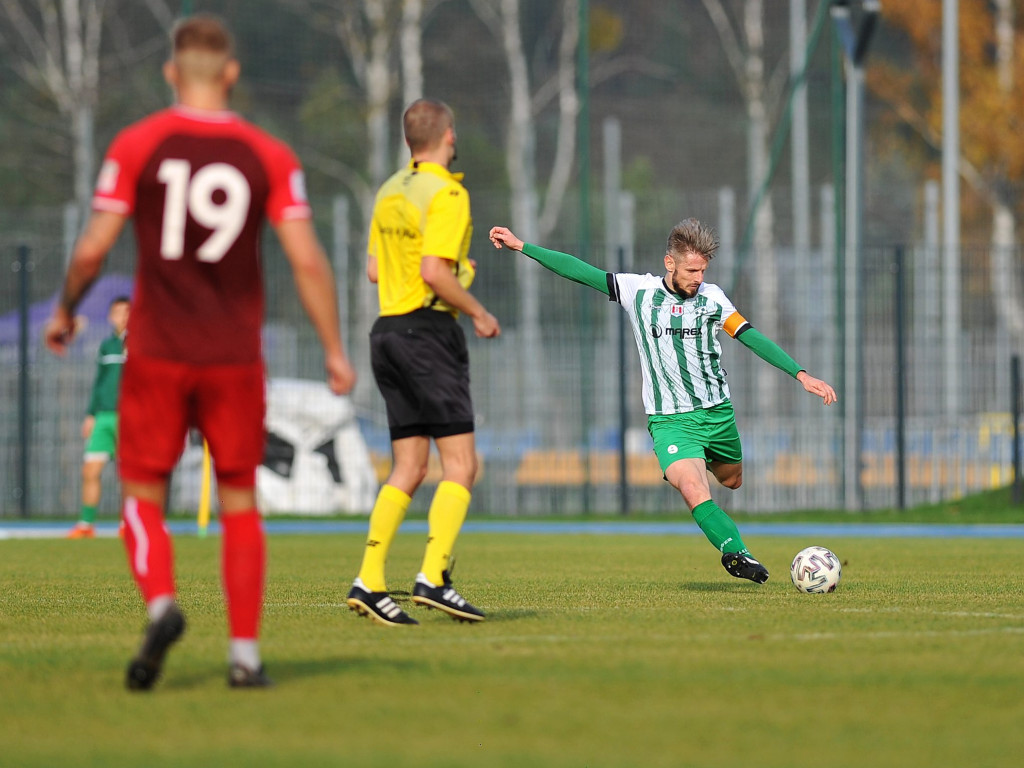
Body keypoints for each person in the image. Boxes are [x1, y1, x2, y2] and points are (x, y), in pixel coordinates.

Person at [44, 15, 356, 690]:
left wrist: (66, 309)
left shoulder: (139, 144)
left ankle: (162, 606)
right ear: (233, 74)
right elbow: (307, 259)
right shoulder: (269, 154)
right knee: (240, 500)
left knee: (141, 493)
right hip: (234, 355)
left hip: (157, 350)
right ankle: (245, 658)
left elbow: (94, 247)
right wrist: (334, 348)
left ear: (171, 73)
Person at [488, 219, 837, 583]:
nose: (698, 278)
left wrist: (801, 374)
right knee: (692, 488)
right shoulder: (637, 291)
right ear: (669, 263)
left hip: (717, 413)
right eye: (691, 270)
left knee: (732, 480)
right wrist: (522, 246)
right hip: (669, 420)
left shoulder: (713, 298)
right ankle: (737, 552)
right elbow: (580, 271)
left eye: (702, 270)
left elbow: (751, 336)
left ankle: (699, 470)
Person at [345, 98, 500, 627]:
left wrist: (447, 273)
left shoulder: (390, 189)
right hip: (428, 334)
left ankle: (369, 580)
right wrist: (477, 309)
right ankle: (433, 577)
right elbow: (434, 271)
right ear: (448, 135)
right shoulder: (448, 191)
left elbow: (375, 270)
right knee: (461, 465)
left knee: (409, 467)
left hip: (386, 333)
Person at [67, 296, 130, 539]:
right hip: (103, 416)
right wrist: (91, 414)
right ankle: (86, 524)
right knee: (90, 470)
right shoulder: (106, 346)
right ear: (111, 317)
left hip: (129, 416)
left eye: (128, 312)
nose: (123, 317)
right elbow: (99, 381)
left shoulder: (141, 342)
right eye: (119, 312)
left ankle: (128, 524)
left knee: (128, 475)